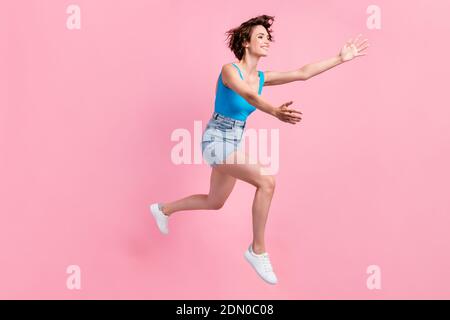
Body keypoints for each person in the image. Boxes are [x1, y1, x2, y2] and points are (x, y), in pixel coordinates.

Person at [150, 14, 369, 285]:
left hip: (233, 142)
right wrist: (274, 111)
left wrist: (339, 58)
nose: (267, 41)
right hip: (215, 140)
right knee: (267, 181)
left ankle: (163, 209)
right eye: (261, 36)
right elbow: (250, 96)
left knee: (214, 202)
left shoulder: (263, 77)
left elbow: (302, 73)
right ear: (245, 42)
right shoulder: (230, 70)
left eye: (268, 37)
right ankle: (258, 250)